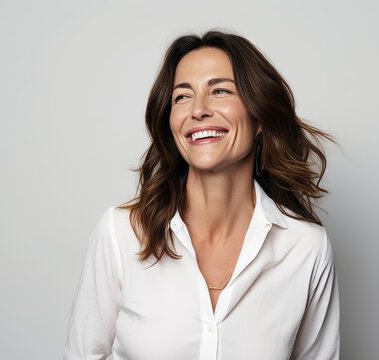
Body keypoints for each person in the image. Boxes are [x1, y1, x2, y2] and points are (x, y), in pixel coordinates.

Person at [64, 30, 339, 360]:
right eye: (182, 97)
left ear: (260, 116)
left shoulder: (306, 247)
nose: (198, 110)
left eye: (220, 90)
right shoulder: (121, 233)